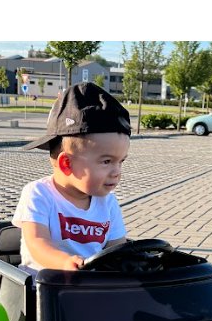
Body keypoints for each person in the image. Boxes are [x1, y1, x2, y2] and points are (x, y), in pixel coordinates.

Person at [12, 82, 131, 276]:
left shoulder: (108, 203)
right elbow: (37, 243)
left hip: (91, 286)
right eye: (107, 161)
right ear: (66, 164)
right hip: (44, 286)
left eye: (121, 161)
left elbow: (117, 249)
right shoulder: (39, 194)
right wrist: (65, 262)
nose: (117, 172)